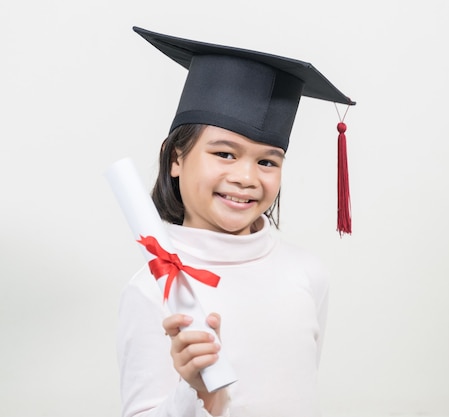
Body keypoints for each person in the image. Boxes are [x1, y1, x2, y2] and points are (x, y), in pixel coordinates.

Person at [116, 26, 355, 417]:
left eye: (267, 161)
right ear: (175, 157)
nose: (246, 177)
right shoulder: (150, 290)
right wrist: (196, 395)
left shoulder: (308, 274)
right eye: (225, 154)